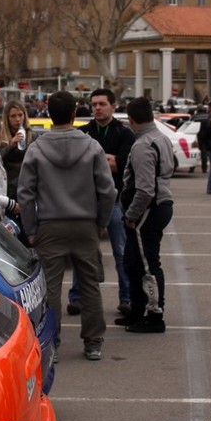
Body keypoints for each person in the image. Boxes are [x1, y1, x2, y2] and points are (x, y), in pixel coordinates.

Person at [17, 90, 116, 362]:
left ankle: (53, 342)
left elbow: (25, 194)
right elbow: (108, 191)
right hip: (85, 223)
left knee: (50, 289)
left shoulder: (37, 148)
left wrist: (31, 229)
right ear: (75, 113)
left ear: (49, 114)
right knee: (90, 285)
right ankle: (93, 341)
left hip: (50, 225)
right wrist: (101, 222)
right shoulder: (92, 146)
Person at [67, 88, 135, 316]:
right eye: (94, 104)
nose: (97, 108)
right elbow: (76, 163)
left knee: (120, 251)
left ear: (113, 106)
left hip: (114, 201)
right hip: (85, 202)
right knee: (82, 251)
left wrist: (98, 161)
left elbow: (125, 164)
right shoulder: (83, 132)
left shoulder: (124, 134)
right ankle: (76, 297)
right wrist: (108, 160)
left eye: (102, 104)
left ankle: (127, 297)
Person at [116, 97, 174, 333]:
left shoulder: (143, 145)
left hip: (148, 211)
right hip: (159, 205)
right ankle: (138, 309)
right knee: (134, 262)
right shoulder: (161, 138)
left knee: (148, 264)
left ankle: (154, 315)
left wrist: (131, 215)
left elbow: (145, 189)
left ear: (131, 120)